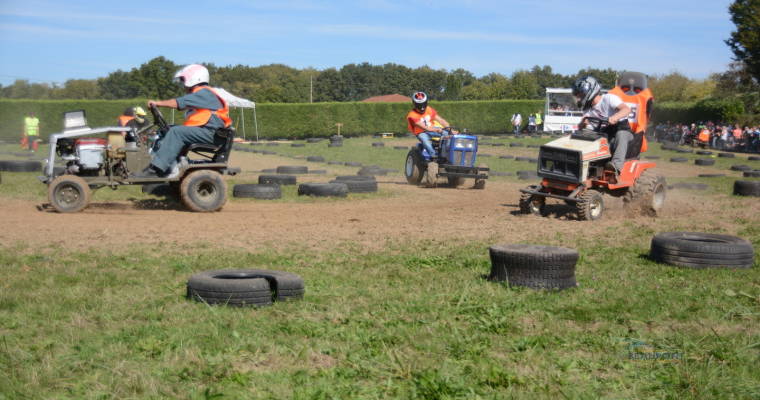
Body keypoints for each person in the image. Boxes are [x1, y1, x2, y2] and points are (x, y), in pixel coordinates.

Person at [132, 64, 231, 178]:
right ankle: (170, 164)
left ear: (194, 78)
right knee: (171, 129)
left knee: (176, 132)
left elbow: (179, 103)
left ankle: (156, 169)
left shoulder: (203, 93)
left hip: (212, 134)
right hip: (211, 133)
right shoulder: (203, 93)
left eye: (184, 80)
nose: (183, 85)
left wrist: (158, 103)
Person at [573, 76, 632, 175]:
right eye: (579, 95)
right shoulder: (588, 110)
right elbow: (587, 130)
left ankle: (615, 168)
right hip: (606, 136)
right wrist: (582, 125)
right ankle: (577, 163)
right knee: (582, 134)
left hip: (623, 132)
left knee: (621, 135)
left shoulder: (609, 98)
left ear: (590, 90)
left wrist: (615, 117)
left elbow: (626, 109)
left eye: (581, 94)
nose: (580, 97)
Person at [406, 91, 451, 160]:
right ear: (414, 104)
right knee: (425, 141)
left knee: (448, 135)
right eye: (419, 105)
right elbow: (426, 128)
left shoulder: (429, 109)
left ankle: (447, 154)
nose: (422, 108)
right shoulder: (412, 116)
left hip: (433, 129)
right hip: (421, 132)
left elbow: (441, 120)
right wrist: (437, 130)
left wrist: (450, 129)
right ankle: (434, 156)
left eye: (424, 104)